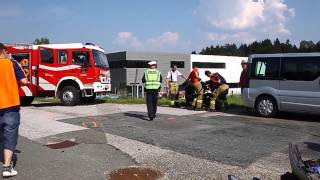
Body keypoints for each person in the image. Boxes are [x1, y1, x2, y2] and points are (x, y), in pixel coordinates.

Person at [0, 43, 28, 177]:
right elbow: (24, 81)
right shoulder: (11, 63)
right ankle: (6, 168)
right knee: (10, 135)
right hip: (10, 105)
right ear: (4, 51)